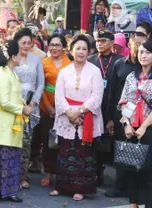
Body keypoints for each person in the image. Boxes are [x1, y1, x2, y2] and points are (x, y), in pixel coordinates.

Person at [49, 34, 104, 201]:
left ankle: (81, 188)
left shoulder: (95, 71)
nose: (81, 52)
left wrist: (79, 111)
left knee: (84, 154)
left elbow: (97, 96)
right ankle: (62, 186)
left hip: (86, 117)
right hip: (67, 118)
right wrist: (69, 113)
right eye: (77, 48)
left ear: (89, 52)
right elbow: (58, 96)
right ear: (71, 50)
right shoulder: (64, 72)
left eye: (84, 49)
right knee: (65, 152)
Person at [0, 39, 27, 203]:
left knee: (12, 157)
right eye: (20, 54)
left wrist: (22, 103)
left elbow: (14, 95)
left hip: (11, 120)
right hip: (3, 121)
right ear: (14, 57)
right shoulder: (3, 74)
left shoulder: (11, 73)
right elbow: (4, 102)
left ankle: (9, 190)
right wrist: (22, 109)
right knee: (1, 157)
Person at [105, 36, 146, 198]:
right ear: (129, 45)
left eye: (142, 46)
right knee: (122, 150)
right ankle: (120, 186)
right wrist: (109, 118)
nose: (138, 49)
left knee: (141, 152)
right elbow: (112, 93)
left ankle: (137, 188)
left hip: (143, 117)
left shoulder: (145, 67)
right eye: (135, 45)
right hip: (122, 115)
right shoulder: (120, 64)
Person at [118, 38, 152, 208]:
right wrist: (127, 124)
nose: (143, 55)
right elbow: (125, 102)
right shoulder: (132, 76)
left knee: (147, 170)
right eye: (141, 52)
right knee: (131, 166)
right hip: (132, 126)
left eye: (147, 52)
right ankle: (133, 202)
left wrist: (145, 126)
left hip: (149, 128)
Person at [87, 29, 123, 185]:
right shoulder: (90, 60)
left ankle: (115, 177)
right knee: (92, 141)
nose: (99, 43)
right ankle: (94, 172)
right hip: (93, 107)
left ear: (112, 43)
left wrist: (112, 118)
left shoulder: (120, 61)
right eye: (98, 41)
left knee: (110, 143)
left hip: (112, 107)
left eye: (103, 41)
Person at [13, 28, 44, 189]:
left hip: (31, 106)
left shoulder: (36, 59)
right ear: (17, 42)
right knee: (13, 142)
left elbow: (40, 84)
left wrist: (32, 104)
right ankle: (11, 174)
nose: (26, 45)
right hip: (14, 105)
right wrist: (20, 103)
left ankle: (23, 176)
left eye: (29, 43)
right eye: (23, 42)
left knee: (26, 142)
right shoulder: (11, 59)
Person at [38, 34, 71, 187]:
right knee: (47, 141)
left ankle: (63, 172)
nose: (54, 48)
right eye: (52, 45)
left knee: (63, 141)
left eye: (58, 45)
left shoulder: (69, 63)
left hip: (65, 108)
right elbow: (41, 87)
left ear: (64, 47)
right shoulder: (43, 63)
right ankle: (48, 172)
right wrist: (49, 107)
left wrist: (63, 106)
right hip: (47, 107)